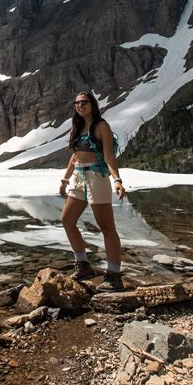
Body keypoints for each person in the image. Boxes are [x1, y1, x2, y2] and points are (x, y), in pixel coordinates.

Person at [59, 91, 126, 292]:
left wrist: (117, 179)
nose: (80, 105)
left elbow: (108, 155)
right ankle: (83, 266)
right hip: (78, 178)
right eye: (77, 103)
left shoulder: (101, 126)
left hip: (97, 177)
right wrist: (65, 179)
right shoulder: (78, 127)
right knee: (67, 220)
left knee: (106, 227)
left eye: (84, 102)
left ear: (92, 104)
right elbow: (74, 157)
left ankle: (114, 277)